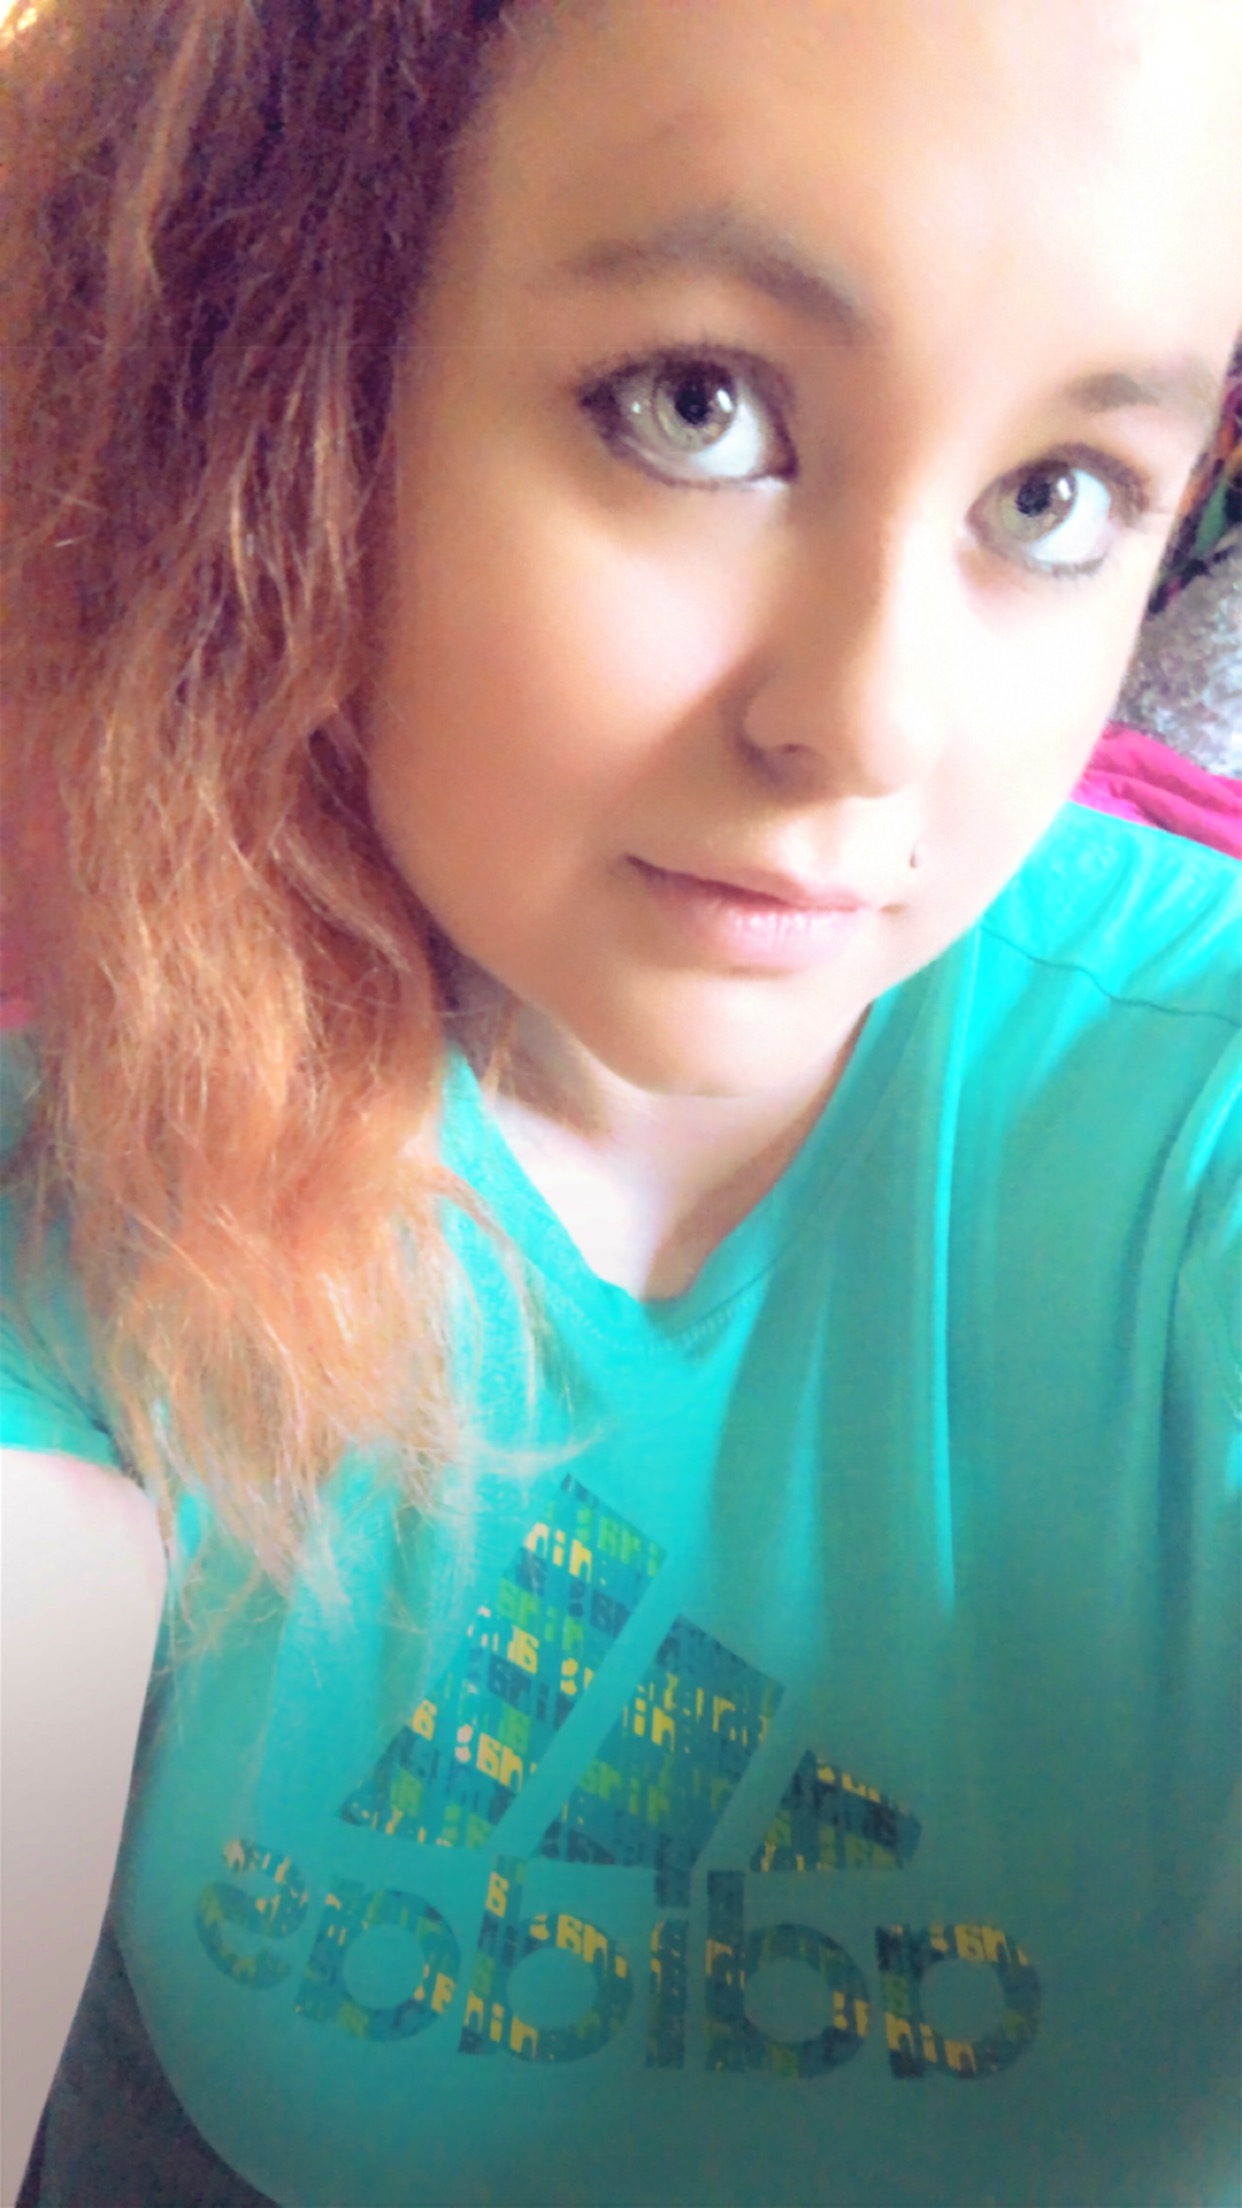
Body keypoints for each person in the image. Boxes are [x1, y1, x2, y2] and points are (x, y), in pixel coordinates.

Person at [2, 0, 1239, 2202]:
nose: (872, 722)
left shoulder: (1189, 1121)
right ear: (289, 385)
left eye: (1052, 498)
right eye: (697, 407)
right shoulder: (99, 1138)